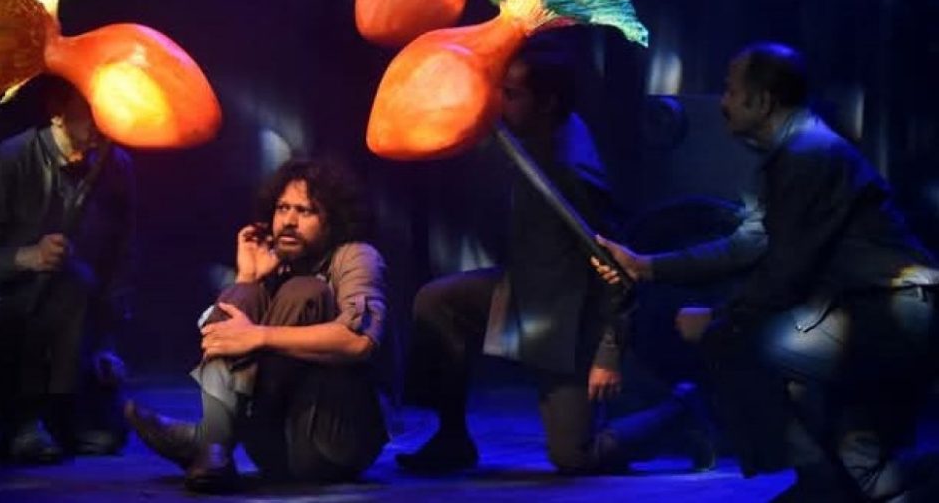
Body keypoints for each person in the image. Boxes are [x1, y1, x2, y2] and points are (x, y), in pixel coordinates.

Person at [593, 42, 939, 501]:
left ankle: (816, 482)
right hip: (874, 311)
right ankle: (836, 483)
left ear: (762, 101)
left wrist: (720, 319)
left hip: (893, 312)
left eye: (730, 91)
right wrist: (646, 266)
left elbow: (784, 271)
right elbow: (745, 246)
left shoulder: (807, 154)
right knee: (866, 472)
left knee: (740, 340)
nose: (722, 103)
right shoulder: (791, 155)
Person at [396, 32, 711, 475]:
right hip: (525, 292)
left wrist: (607, 354)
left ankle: (678, 412)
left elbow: (618, 275)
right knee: (437, 302)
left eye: (512, 95)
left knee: (573, 456)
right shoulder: (537, 136)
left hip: (570, 319)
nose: (500, 103)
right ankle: (451, 437)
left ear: (547, 103)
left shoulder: (572, 173)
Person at [125, 158, 390, 493]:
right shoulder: (276, 265)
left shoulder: (356, 256)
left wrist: (259, 336)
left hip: (335, 443)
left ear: (333, 221)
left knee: (304, 292)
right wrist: (248, 277)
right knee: (244, 294)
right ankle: (215, 447)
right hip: (273, 449)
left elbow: (358, 341)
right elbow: (225, 339)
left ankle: (203, 440)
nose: (289, 221)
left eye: (305, 211)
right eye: (282, 208)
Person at [0, 75, 136, 463]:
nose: (103, 124)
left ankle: (63, 409)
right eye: (92, 112)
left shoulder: (114, 166)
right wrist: (25, 257)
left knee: (109, 433)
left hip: (73, 305)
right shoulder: (4, 162)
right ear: (57, 112)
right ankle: (22, 417)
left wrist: (107, 344)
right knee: (61, 283)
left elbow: (116, 263)